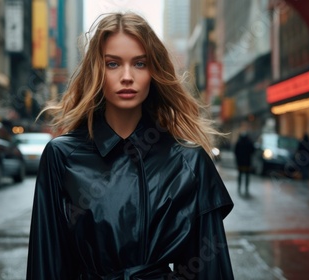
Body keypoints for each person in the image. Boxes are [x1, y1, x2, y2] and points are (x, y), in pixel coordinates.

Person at [26, 12, 234, 279]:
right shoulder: (63, 156)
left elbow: (211, 271)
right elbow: (47, 264)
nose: (127, 76)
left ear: (154, 71)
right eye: (113, 64)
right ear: (97, 72)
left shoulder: (189, 161)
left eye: (139, 64)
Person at [234, 129, 255, 195]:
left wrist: (237, 160)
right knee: (246, 176)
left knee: (240, 175)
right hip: (247, 162)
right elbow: (252, 150)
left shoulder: (239, 142)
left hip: (241, 162)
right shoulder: (249, 142)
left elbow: (235, 152)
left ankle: (239, 187)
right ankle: (246, 188)